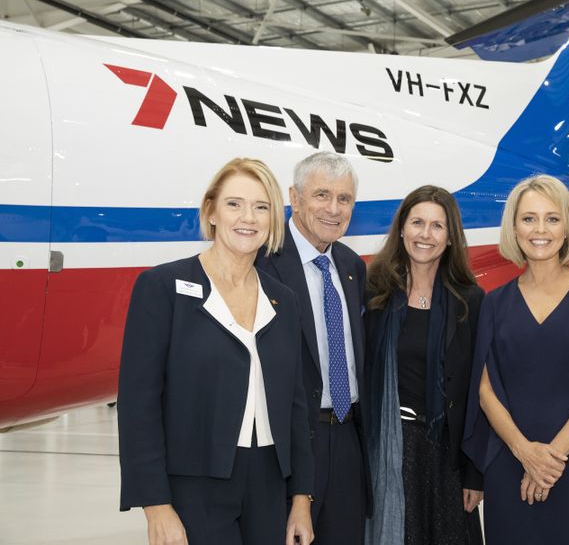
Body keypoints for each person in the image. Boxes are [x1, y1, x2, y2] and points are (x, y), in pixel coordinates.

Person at [118, 158, 315, 545]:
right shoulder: (162, 287)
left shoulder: (284, 301)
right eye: (234, 204)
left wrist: (301, 499)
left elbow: (295, 406)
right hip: (194, 485)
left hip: (269, 483)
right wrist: (156, 505)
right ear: (210, 211)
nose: (248, 217)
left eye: (262, 207)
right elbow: (138, 404)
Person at [463, 175, 569, 545]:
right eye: (529, 219)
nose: (540, 229)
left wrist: (549, 460)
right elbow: (483, 388)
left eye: (552, 218)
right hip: (509, 464)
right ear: (513, 226)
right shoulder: (492, 302)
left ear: (566, 227)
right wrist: (525, 453)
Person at [256, 151, 369, 545]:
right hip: (289, 446)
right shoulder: (262, 262)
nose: (334, 209)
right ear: (295, 197)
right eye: (322, 195)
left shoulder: (352, 265)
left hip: (347, 438)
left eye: (345, 199)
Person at [364, 186, 485, 545]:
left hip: (446, 456)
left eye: (437, 226)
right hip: (389, 449)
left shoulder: (470, 300)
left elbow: (480, 390)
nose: (425, 234)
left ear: (450, 238)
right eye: (417, 222)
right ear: (401, 229)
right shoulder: (373, 291)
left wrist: (475, 474)